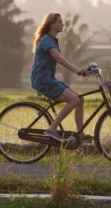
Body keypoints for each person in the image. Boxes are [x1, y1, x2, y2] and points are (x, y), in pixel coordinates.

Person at [30, 13, 91, 142]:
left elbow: (58, 58)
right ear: (52, 24)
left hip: (49, 79)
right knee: (74, 100)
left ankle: (80, 134)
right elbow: (58, 58)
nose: (62, 24)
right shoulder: (46, 40)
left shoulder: (52, 40)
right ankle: (52, 129)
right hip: (43, 80)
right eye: (59, 22)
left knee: (80, 99)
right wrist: (78, 70)